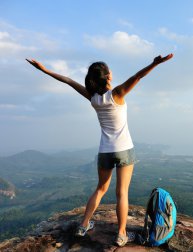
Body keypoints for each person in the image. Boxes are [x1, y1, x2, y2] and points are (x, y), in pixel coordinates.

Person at [26, 53, 173, 246]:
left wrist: (43, 70)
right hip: (124, 150)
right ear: (108, 77)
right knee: (122, 193)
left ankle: (84, 224)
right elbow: (138, 76)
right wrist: (155, 63)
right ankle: (121, 234)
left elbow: (68, 81)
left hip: (105, 151)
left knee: (101, 188)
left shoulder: (93, 98)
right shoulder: (118, 93)